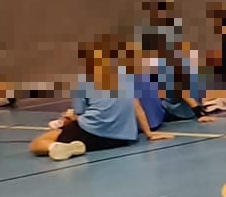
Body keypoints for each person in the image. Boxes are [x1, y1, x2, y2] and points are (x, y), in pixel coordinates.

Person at [29, 35, 173, 159]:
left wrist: (68, 118)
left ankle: (56, 147)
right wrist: (149, 133)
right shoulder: (125, 77)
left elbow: (79, 114)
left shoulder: (83, 81)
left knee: (38, 143)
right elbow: (137, 107)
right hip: (123, 139)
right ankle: (70, 145)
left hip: (93, 133)